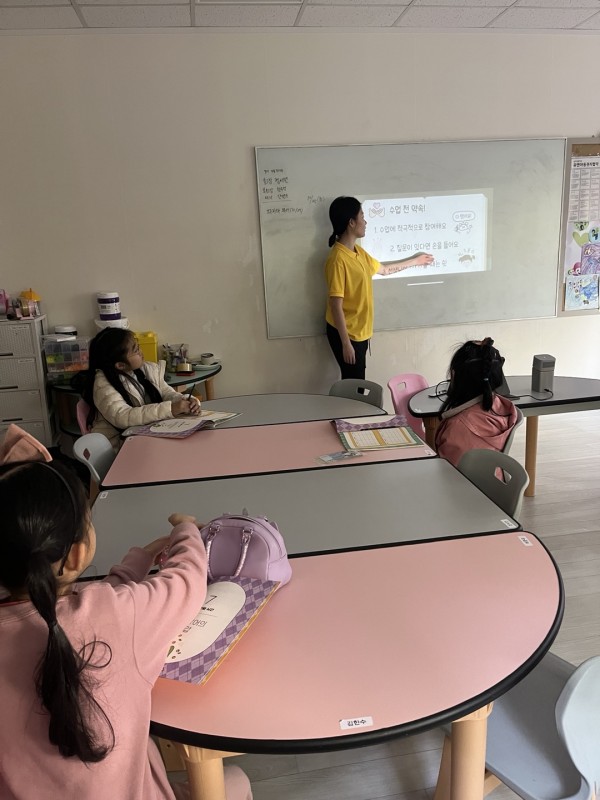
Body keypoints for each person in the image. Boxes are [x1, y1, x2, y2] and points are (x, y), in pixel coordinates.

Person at [0, 459, 252, 800]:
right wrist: (186, 530)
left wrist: (143, 556)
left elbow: (91, 605)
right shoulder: (117, 615)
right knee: (237, 780)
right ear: (76, 556)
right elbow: (186, 582)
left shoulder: (105, 611)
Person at [325, 196, 434, 380]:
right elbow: (336, 305)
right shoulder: (338, 259)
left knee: (356, 384)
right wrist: (346, 344)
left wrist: (416, 261)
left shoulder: (358, 252)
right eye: (362, 216)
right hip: (347, 333)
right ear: (351, 222)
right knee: (354, 386)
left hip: (359, 332)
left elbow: (384, 270)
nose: (365, 222)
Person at [78, 328, 201, 450]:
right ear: (120, 365)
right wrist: (171, 409)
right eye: (136, 350)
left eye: (138, 347)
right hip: (118, 448)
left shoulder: (146, 369)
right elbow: (123, 416)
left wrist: (185, 400)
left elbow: (165, 392)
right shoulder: (103, 385)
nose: (141, 352)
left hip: (147, 436)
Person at [434, 337, 518, 467]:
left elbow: (447, 473)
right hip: (495, 477)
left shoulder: (457, 426)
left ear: (454, 375)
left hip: (462, 480)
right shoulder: (502, 406)